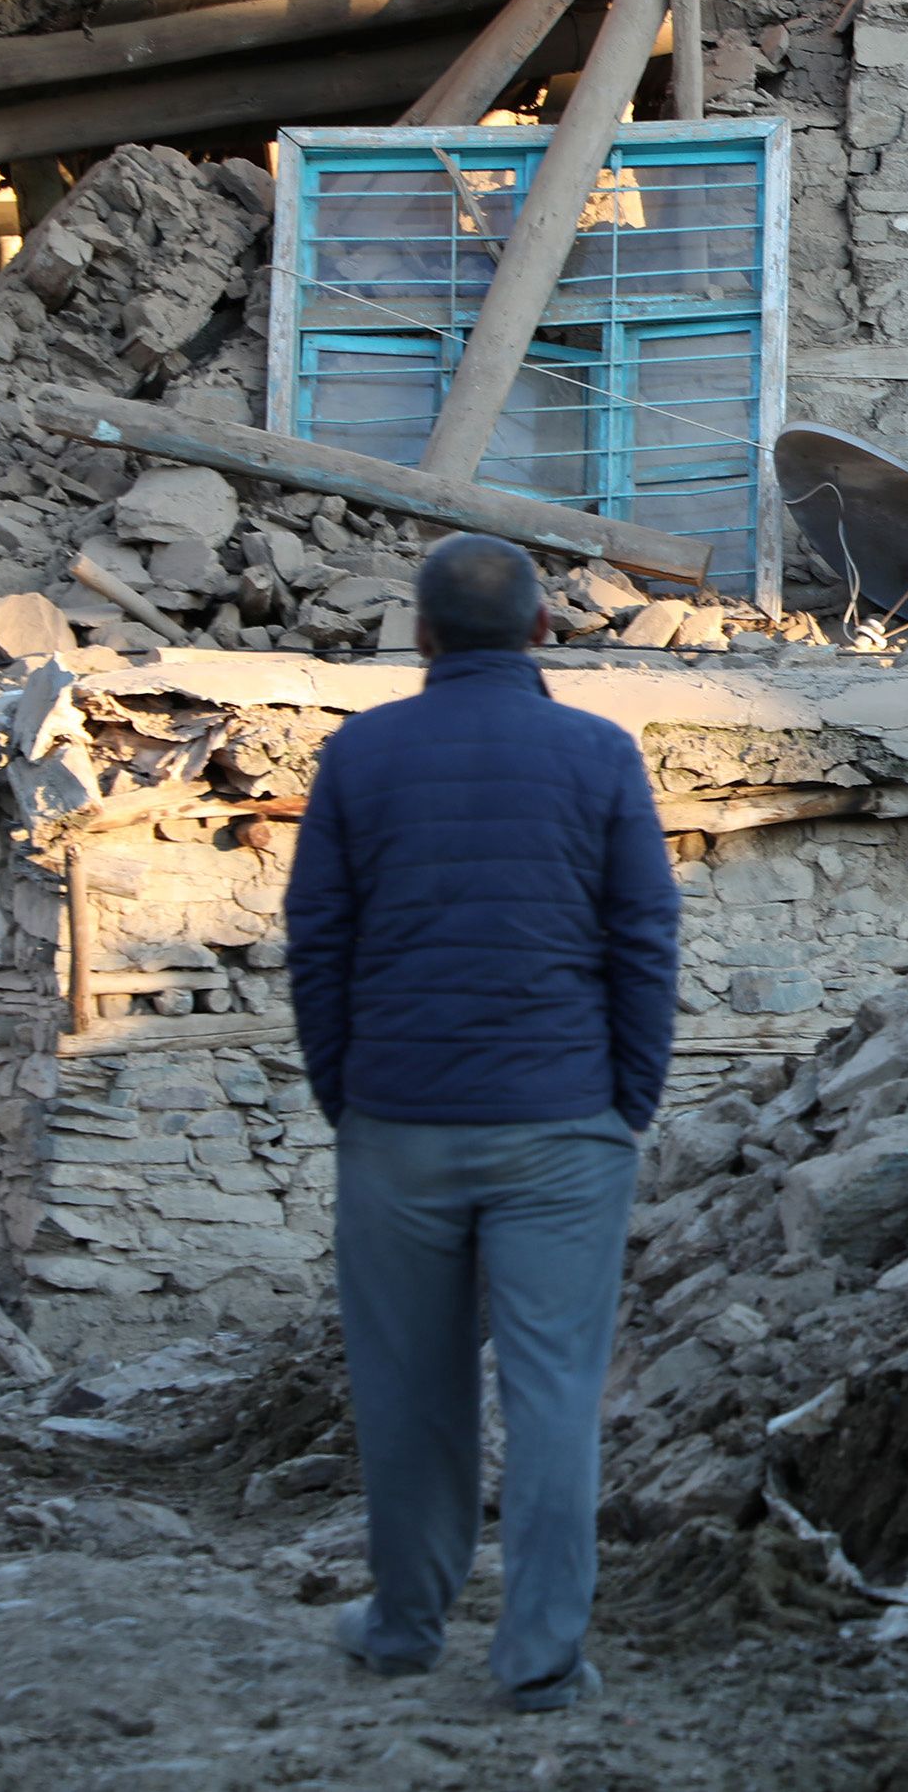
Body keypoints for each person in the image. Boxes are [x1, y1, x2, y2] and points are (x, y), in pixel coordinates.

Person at [283, 532, 681, 1712]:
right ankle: (541, 1653)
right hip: (563, 1126)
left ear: (423, 633)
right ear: (543, 633)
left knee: (408, 1386)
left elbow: (319, 943)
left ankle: (405, 1623)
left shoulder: (358, 755)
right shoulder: (599, 755)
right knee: (555, 1394)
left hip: (398, 1122)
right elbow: (644, 940)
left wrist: (345, 1094)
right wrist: (628, 1100)